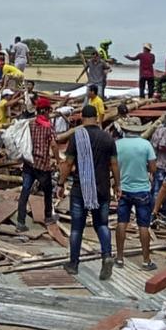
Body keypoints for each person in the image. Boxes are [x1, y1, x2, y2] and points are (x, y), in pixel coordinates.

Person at [58, 104, 119, 279]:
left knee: (77, 228)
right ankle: (106, 255)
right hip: (102, 188)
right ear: (96, 118)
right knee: (102, 224)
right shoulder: (108, 138)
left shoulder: (78, 137)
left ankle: (73, 264)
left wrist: (60, 183)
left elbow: (68, 163)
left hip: (80, 189)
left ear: (83, 118)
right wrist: (118, 185)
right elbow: (114, 163)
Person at [112, 117, 157, 270]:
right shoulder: (146, 145)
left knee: (121, 222)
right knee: (143, 225)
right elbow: (153, 168)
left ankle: (119, 258)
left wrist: (116, 183)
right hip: (142, 189)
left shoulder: (117, 145)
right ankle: (146, 260)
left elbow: (113, 165)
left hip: (123, 189)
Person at [15, 96, 58, 232]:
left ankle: (20, 222)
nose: (49, 113)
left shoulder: (30, 124)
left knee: (25, 191)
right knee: (48, 191)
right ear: (44, 111)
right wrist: (57, 159)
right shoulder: (48, 127)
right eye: (48, 111)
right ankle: (48, 216)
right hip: (42, 164)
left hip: (29, 163)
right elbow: (54, 145)